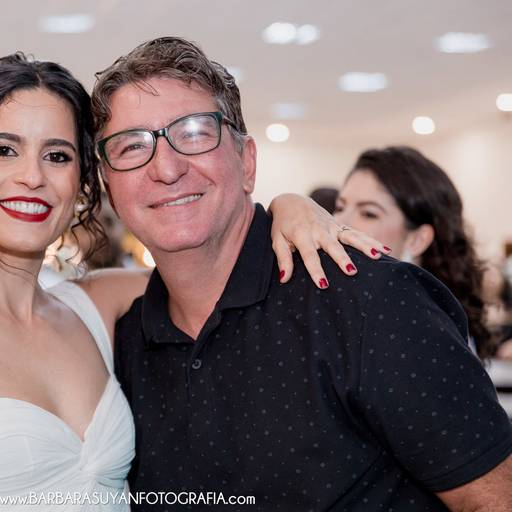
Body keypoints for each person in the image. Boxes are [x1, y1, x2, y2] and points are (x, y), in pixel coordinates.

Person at [0, 53, 378, 511]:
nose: (32, 176)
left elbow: (218, 262)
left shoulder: (101, 306)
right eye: (3, 149)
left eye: (57, 155)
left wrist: (288, 206)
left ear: (84, 185)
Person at [92, 37, 512, 510]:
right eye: (132, 146)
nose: (166, 168)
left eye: (193, 133)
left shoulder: (369, 302)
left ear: (247, 162)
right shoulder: (125, 342)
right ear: (110, 187)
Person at [334, 146, 495, 358]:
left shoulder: (435, 335)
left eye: (369, 214)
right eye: (339, 207)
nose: (339, 223)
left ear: (418, 239)